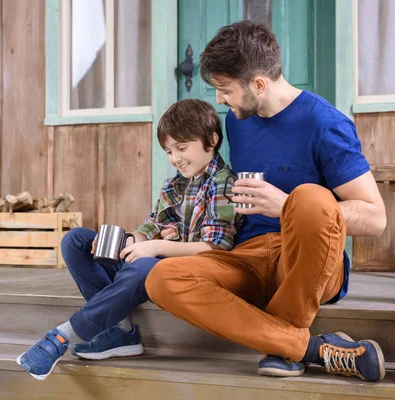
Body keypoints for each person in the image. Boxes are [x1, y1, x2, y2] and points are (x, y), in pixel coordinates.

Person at [145, 21, 388, 382]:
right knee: (163, 278)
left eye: (225, 90)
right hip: (249, 257)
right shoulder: (238, 121)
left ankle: (286, 339)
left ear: (258, 84)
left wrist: (287, 206)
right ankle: (307, 348)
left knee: (308, 198)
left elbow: (375, 217)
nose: (219, 101)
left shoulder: (325, 124)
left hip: (308, 259)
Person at [16, 98, 242, 380]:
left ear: (211, 141)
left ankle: (63, 336)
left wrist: (157, 246)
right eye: (169, 151)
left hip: (180, 272)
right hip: (148, 264)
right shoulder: (175, 183)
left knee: (145, 265)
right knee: (75, 240)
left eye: (182, 148)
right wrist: (131, 240)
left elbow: (215, 247)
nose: (175, 158)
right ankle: (121, 330)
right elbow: (151, 225)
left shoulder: (223, 181)